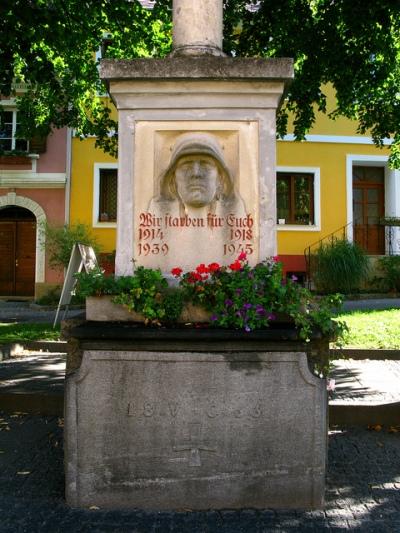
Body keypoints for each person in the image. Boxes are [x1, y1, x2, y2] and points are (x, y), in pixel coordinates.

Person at [149, 132, 246, 217]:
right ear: (173, 179)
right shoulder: (155, 221)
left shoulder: (236, 223)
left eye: (205, 165)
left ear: (220, 179)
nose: (196, 173)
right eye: (186, 166)